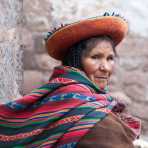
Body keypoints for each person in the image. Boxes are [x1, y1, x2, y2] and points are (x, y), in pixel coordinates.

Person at [0, 12, 141, 148]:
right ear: (76, 61)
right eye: (95, 57)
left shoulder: (63, 93)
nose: (105, 68)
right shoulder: (85, 107)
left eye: (110, 58)